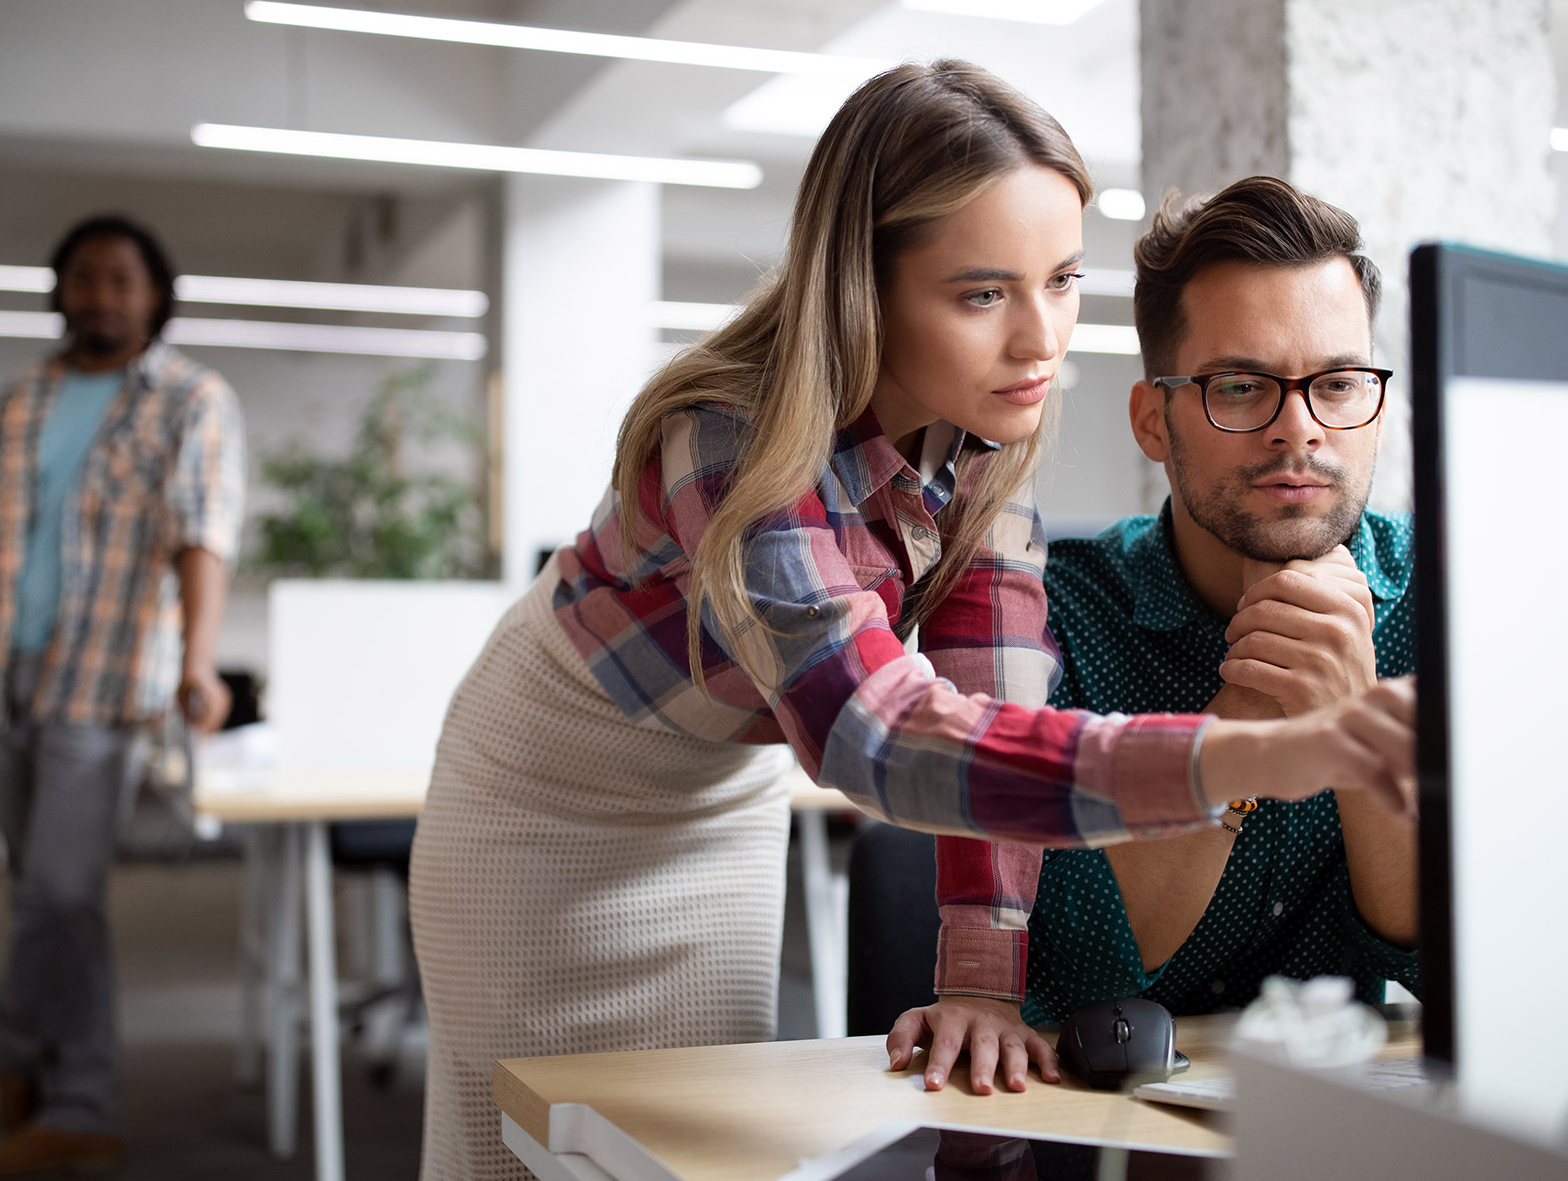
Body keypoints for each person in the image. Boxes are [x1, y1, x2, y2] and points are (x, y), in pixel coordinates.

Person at [409, 63, 1417, 1181]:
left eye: (1063, 280)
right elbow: (882, 739)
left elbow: (989, 713)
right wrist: (1253, 750)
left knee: (671, 1142)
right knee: (526, 1142)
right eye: (984, 294)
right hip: (554, 791)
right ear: (868, 289)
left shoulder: (986, 433)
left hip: (721, 784)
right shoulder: (731, 438)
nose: (1042, 339)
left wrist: (980, 982)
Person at [892, 176, 1418, 1095]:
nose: (1299, 431)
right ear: (1152, 419)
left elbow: (1460, 973)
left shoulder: (1447, 601)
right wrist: (1253, 716)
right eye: (1240, 387)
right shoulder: (1040, 618)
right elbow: (1084, 978)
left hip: (1342, 1129)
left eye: (1337, 384)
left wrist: (1353, 712)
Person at [0, 216, 245, 1176]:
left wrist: (199, 661)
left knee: (61, 892)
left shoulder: (191, 397)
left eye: (122, 278)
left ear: (155, 294)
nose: (101, 294)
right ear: (59, 289)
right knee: (52, 903)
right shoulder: (21, 399)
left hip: (107, 681)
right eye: (83, 276)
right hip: (5, 681)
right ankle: (80, 1103)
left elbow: (203, 534)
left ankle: (14, 1038)